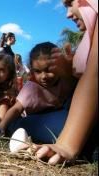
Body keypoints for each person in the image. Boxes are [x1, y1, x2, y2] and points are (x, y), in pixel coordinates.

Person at [6, 0, 98, 165]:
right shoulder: (30, 89)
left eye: (71, 2)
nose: (68, 13)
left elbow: (94, 75)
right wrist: (68, 72)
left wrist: (67, 145)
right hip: (73, 113)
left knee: (23, 124)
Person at [0, 42, 76, 139]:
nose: (44, 76)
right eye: (38, 71)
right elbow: (16, 109)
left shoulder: (64, 80)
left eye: (48, 70)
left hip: (57, 113)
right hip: (35, 117)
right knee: (16, 125)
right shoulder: (31, 88)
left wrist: (69, 70)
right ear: (32, 71)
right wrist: (1, 128)